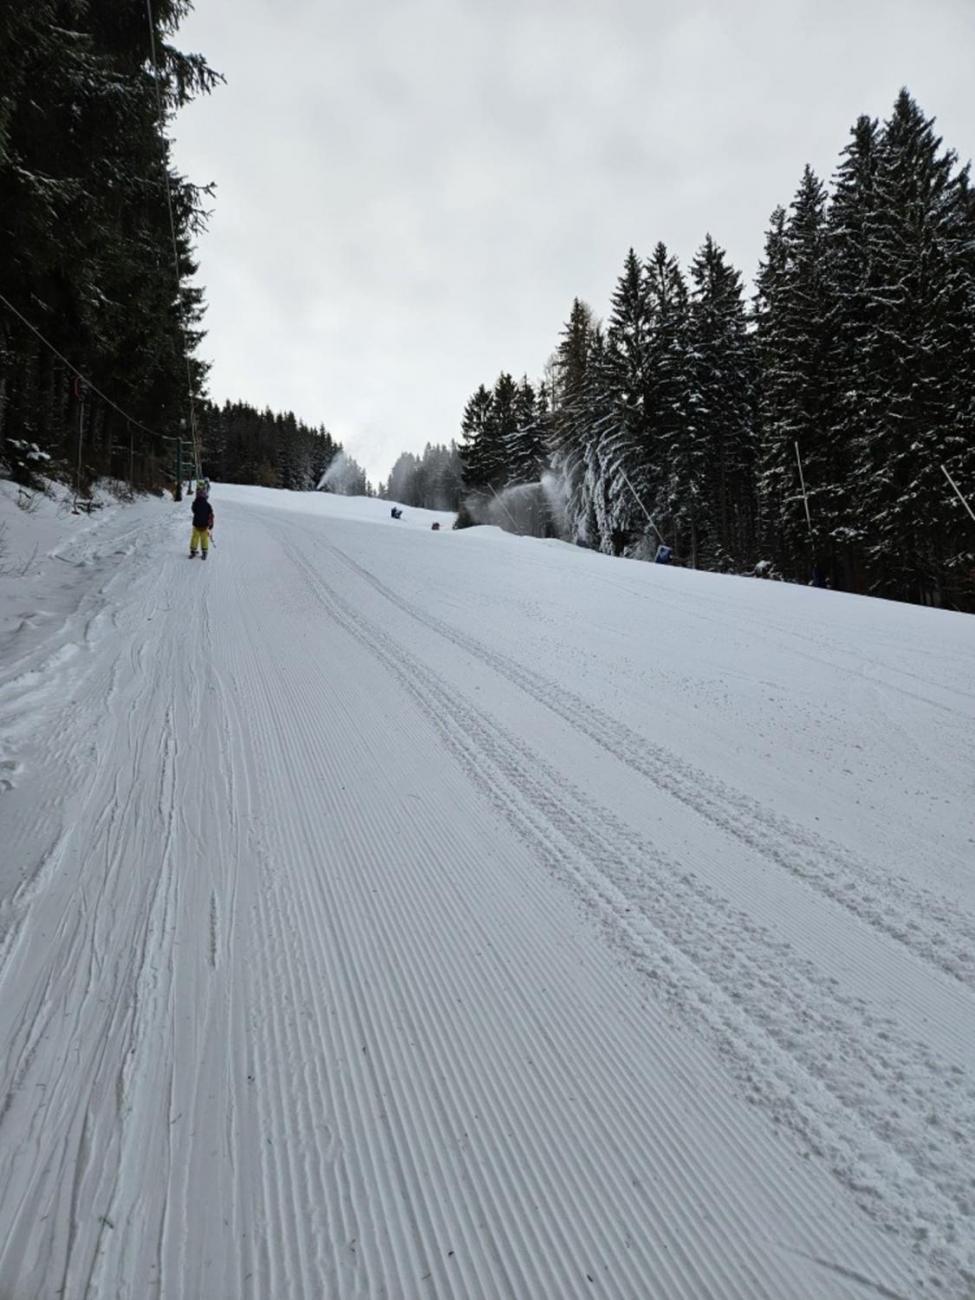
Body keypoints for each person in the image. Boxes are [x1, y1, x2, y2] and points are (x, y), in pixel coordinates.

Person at [189, 486, 214, 559]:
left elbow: (193, 510)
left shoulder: (195, 504)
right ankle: (204, 552)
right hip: (204, 525)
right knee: (204, 539)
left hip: (196, 524)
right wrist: (211, 524)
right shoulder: (208, 505)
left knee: (195, 537)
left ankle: (193, 551)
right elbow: (211, 515)